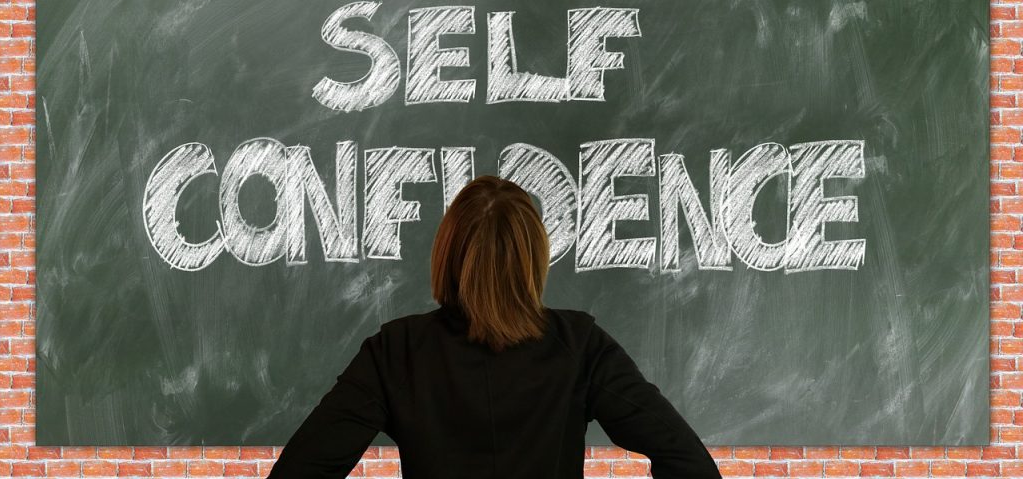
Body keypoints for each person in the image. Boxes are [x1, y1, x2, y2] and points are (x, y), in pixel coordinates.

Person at [267, 175, 721, 479]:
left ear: (448, 253)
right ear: (534, 259)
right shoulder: (579, 345)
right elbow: (690, 464)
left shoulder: (397, 350)